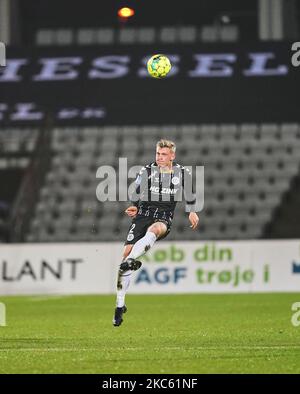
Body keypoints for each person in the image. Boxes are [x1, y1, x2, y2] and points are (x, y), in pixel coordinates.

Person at [113, 139, 200, 326]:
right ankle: (120, 305)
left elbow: (191, 192)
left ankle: (132, 260)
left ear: (172, 156)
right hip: (143, 214)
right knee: (125, 256)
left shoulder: (182, 173)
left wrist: (192, 211)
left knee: (155, 230)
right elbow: (135, 193)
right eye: (158, 154)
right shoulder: (146, 171)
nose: (160, 158)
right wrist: (133, 207)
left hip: (163, 216)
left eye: (164, 155)